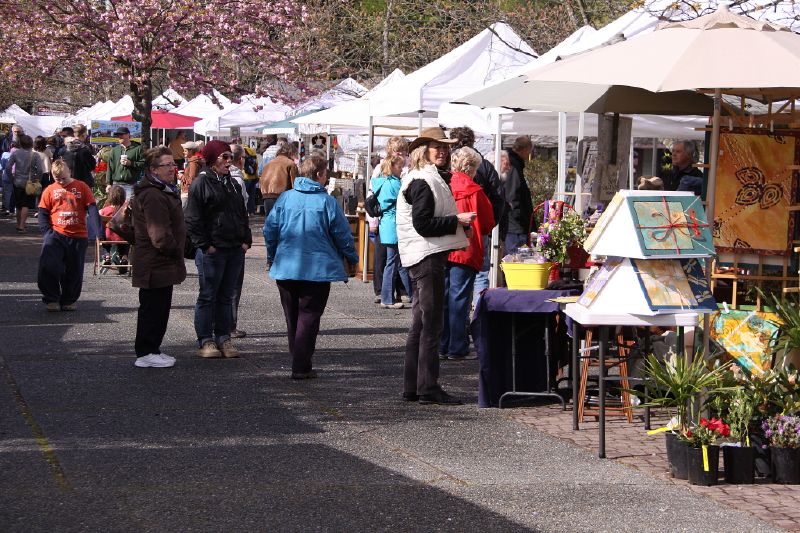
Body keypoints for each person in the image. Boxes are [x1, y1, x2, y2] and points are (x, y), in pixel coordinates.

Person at [396, 129, 475, 405]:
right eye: (436, 147)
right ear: (423, 151)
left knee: (421, 324)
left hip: (423, 256)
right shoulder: (423, 181)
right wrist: (458, 220)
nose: (442, 151)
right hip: (426, 257)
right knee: (431, 325)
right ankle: (427, 387)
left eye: (445, 147)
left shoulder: (424, 178)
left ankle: (414, 386)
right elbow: (424, 224)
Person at [264, 153, 358, 380]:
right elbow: (342, 235)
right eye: (325, 174)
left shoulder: (286, 198)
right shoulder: (326, 202)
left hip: (287, 266)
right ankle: (301, 364)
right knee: (309, 317)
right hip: (317, 269)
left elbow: (270, 230)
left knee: (292, 317)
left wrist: (272, 255)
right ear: (319, 175)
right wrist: (352, 257)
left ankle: (298, 358)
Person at [184, 140, 252, 359]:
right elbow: (193, 218)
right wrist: (205, 245)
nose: (229, 161)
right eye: (224, 157)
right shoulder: (201, 183)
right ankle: (206, 339)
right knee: (208, 295)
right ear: (213, 158)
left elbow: (242, 212)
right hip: (214, 248)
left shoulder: (231, 182)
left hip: (234, 247)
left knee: (227, 295)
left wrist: (245, 241)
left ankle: (224, 337)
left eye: (230, 157)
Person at [130, 146, 186, 368]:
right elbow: (159, 234)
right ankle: (145, 351)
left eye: (173, 164)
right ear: (153, 169)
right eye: (168, 165)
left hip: (161, 261)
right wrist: (175, 249)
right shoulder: (153, 194)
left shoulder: (161, 190)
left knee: (160, 308)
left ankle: (152, 348)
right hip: (155, 261)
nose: (173, 168)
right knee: (152, 309)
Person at [440, 147, 495, 361]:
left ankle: (443, 345)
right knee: (460, 299)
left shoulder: (443, 185)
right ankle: (457, 347)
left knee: (444, 297)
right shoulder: (475, 190)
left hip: (444, 245)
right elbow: (488, 222)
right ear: (471, 168)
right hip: (466, 247)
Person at [449, 126, 506, 307]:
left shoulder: (446, 175)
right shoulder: (485, 167)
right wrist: (488, 225)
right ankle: (478, 314)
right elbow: (498, 197)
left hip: (448, 235)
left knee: (450, 288)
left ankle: (451, 330)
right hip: (477, 229)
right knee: (480, 274)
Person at [37, 160, 98, 311]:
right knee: (49, 266)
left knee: (74, 269)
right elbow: (43, 212)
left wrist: (97, 232)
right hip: (56, 234)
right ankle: (51, 298)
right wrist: (47, 232)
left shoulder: (82, 187)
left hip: (78, 235)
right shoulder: (50, 190)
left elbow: (92, 208)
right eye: (58, 179)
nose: (62, 182)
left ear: (70, 172)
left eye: (64, 178)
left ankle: (69, 300)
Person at [370, 136, 410, 305]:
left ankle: (401, 291)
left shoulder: (408, 167)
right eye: (396, 150)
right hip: (389, 221)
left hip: (394, 221)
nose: (400, 154)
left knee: (397, 260)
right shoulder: (382, 170)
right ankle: (383, 292)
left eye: (402, 151)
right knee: (385, 258)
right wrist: (373, 221)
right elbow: (372, 197)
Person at [228, 144, 250, 339]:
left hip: (218, 239)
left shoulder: (209, 177)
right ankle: (230, 325)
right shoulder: (237, 181)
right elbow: (242, 212)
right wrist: (245, 239)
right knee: (233, 284)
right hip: (234, 238)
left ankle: (217, 325)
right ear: (239, 159)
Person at [4, 134, 44, 232]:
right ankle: (22, 225)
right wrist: (37, 179)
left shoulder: (15, 153)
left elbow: (8, 167)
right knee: (26, 204)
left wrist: (11, 177)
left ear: (20, 143)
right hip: (30, 182)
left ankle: (18, 224)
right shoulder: (35, 155)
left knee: (18, 205)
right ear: (31, 144)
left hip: (17, 181)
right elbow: (40, 170)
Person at [504, 136, 534, 253]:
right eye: (529, 152)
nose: (528, 156)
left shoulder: (513, 163)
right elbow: (512, 195)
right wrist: (520, 218)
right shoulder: (514, 166)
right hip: (515, 226)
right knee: (516, 259)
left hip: (514, 223)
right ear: (525, 150)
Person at [98, 184, 130, 272]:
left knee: (104, 236)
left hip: (108, 237)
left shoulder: (105, 210)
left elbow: (97, 216)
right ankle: (124, 257)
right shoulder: (126, 211)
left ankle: (107, 255)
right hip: (122, 237)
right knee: (126, 239)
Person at [106, 126, 144, 199]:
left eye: (121, 135)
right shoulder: (114, 150)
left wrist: (131, 163)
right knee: (116, 208)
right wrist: (108, 184)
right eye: (118, 135)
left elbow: (143, 164)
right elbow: (110, 168)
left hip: (130, 184)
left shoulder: (137, 149)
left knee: (128, 208)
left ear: (128, 135)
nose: (119, 137)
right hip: (116, 184)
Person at [179, 140, 203, 208]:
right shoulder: (192, 161)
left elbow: (192, 180)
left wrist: (181, 177)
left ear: (191, 151)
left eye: (185, 151)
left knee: (183, 212)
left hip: (188, 192)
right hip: (188, 191)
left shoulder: (193, 163)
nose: (183, 152)